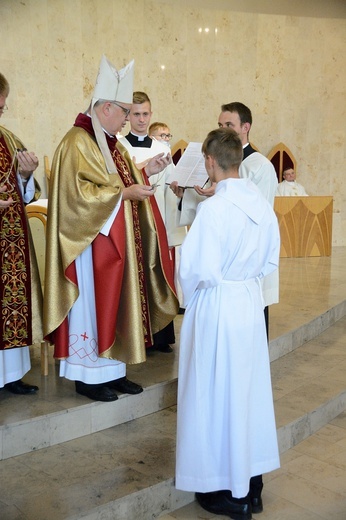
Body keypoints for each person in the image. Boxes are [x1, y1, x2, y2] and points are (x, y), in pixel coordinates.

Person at [43, 55, 179, 402]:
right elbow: (78, 197)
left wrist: (147, 171)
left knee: (116, 305)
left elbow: (121, 181)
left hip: (116, 245)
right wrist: (124, 194)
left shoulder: (111, 143)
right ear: (105, 108)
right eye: (123, 111)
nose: (126, 119)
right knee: (93, 308)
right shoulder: (77, 142)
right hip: (89, 248)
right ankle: (87, 377)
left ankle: (115, 371)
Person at [175, 127, 280, 519]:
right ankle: (250, 486)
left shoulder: (215, 209)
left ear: (209, 162)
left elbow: (197, 269)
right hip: (249, 305)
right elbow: (271, 261)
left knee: (214, 394)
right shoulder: (260, 203)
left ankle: (225, 489)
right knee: (245, 394)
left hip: (217, 307)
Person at [118, 92, 186, 352]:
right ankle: (136, 335)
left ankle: (159, 335)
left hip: (157, 223)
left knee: (158, 274)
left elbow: (170, 189)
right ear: (128, 116)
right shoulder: (120, 147)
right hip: (129, 222)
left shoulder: (162, 149)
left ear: (151, 114)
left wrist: (179, 193)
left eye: (145, 114)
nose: (141, 119)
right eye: (135, 114)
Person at [0, 72, 43, 395]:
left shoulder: (9, 140)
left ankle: (11, 374)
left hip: (10, 242)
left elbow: (26, 193)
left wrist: (26, 175)